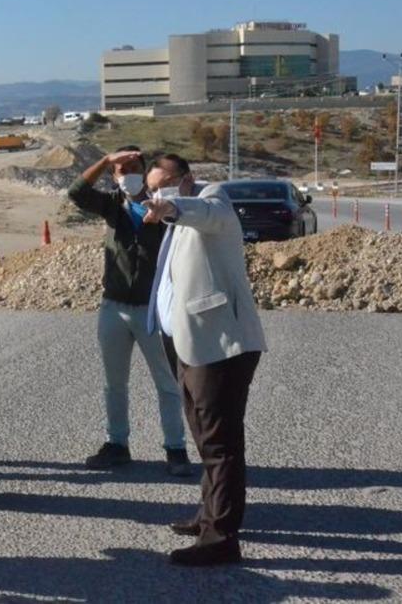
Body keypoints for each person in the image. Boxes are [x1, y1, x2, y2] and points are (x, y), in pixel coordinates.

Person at [142, 153, 268, 566]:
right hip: (188, 345)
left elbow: (208, 213)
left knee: (220, 443)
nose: (155, 193)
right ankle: (207, 515)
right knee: (203, 437)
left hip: (220, 346)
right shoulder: (173, 221)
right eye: (151, 188)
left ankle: (222, 538)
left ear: (186, 180)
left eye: (163, 184)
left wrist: (173, 205)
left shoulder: (210, 200)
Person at [67, 146, 191, 476]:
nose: (128, 173)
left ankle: (176, 449)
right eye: (122, 169)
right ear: (114, 175)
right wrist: (107, 160)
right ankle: (117, 444)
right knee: (114, 382)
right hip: (114, 308)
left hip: (153, 311)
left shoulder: (167, 207)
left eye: (134, 166)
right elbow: (76, 192)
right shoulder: (113, 206)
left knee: (166, 382)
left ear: (146, 171)